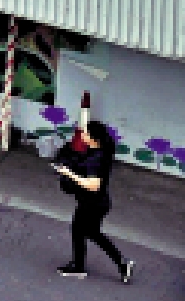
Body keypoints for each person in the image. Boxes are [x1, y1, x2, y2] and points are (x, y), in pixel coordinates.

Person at [54, 121, 135, 283]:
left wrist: (69, 173)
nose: (82, 135)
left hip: (92, 203)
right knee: (88, 232)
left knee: (81, 231)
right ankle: (120, 264)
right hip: (97, 203)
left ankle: (79, 267)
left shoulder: (96, 159)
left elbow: (93, 185)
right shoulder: (101, 150)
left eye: (85, 134)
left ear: (94, 138)